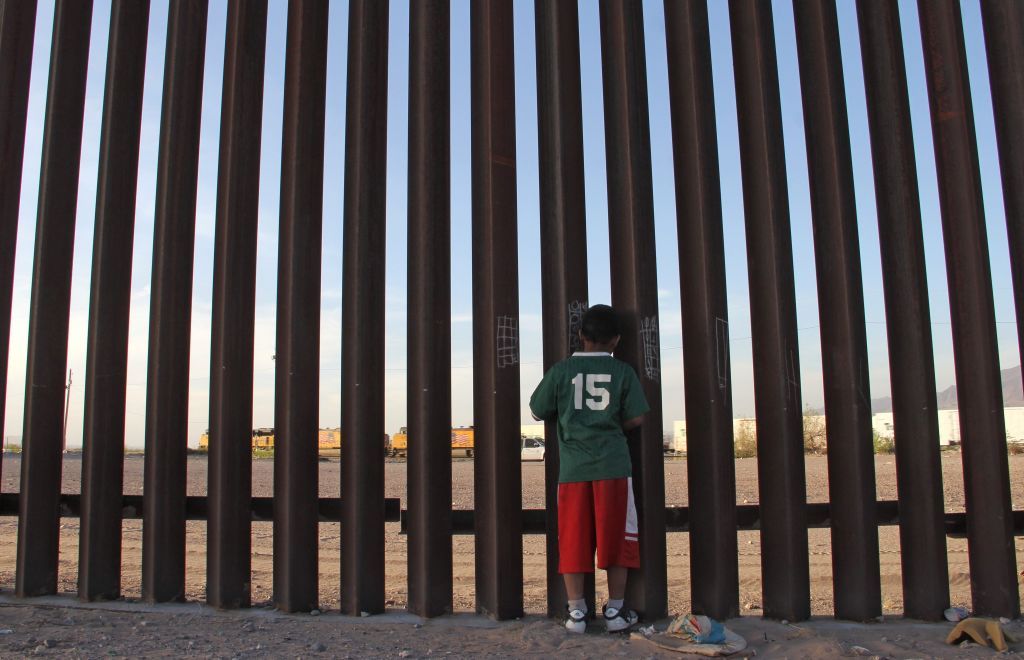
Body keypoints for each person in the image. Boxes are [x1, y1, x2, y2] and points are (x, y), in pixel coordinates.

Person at [529, 304, 649, 634]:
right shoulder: (623, 372)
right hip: (612, 467)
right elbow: (637, 417)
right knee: (615, 538)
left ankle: (577, 613)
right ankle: (614, 611)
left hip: (573, 471)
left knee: (573, 538)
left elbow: (538, 410)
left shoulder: (561, 370)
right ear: (616, 341)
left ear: (581, 336)